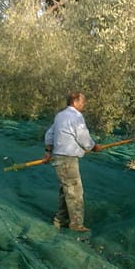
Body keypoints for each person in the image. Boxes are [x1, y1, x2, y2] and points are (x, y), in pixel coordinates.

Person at [43, 91, 102, 232]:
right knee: (75, 192)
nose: (84, 104)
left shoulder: (60, 116)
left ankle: (60, 221)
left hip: (59, 158)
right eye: (82, 101)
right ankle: (76, 225)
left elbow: (49, 134)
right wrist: (93, 147)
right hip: (68, 159)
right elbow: (83, 136)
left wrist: (48, 151)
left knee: (66, 190)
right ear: (74, 101)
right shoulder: (76, 116)